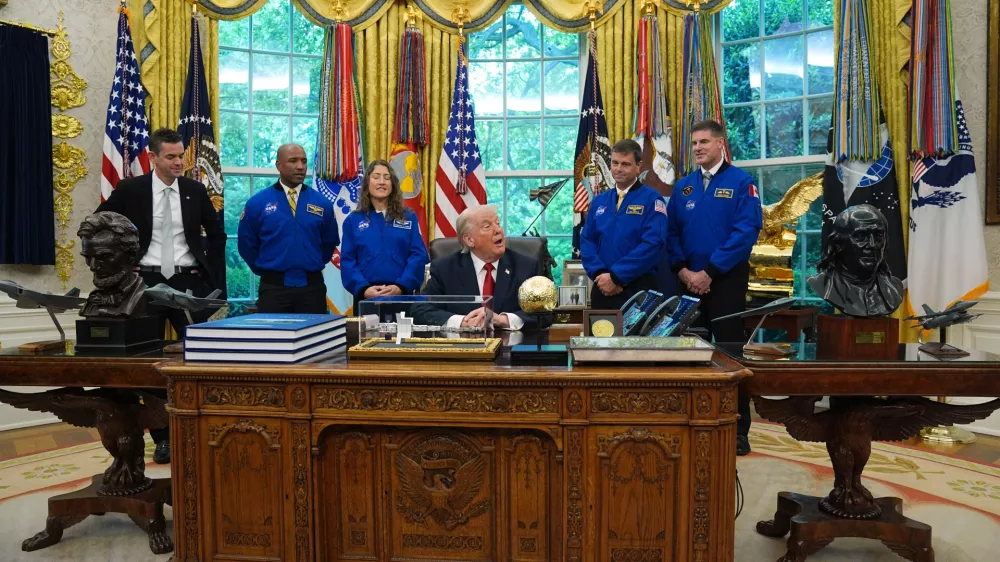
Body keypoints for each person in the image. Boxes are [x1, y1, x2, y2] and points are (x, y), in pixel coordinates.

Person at [96, 128, 225, 464]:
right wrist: (125, 266)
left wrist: (212, 278)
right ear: (153, 158)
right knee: (149, 363)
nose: (179, 162)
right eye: (171, 156)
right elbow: (100, 224)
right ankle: (163, 436)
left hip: (188, 282)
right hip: (145, 282)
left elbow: (217, 235)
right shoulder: (131, 190)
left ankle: (206, 427)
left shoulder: (196, 191)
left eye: (181, 155)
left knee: (203, 356)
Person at [666, 119, 763, 456]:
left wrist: (710, 271)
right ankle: (692, 421)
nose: (697, 148)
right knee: (689, 353)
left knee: (730, 354)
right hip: (688, 281)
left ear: (721, 144)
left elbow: (746, 231)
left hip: (726, 281)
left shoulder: (741, 183)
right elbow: (671, 233)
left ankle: (738, 429)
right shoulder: (684, 187)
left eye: (704, 142)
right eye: (694, 143)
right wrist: (684, 270)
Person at [238, 144, 339, 314]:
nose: (300, 166)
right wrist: (267, 268)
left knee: (313, 339)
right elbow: (246, 244)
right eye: (293, 161)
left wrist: (310, 261)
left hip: (312, 289)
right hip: (273, 289)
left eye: (304, 161)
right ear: (278, 165)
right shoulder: (258, 203)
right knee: (274, 339)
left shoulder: (322, 203)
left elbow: (329, 242)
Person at [415, 205, 544, 331]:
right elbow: (420, 309)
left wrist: (502, 319)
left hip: (511, 348)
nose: (498, 230)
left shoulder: (526, 266)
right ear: (470, 240)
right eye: (487, 226)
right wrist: (462, 322)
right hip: (464, 347)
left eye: (498, 224)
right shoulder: (445, 269)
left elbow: (544, 313)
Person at [580, 139, 668, 309]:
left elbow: (653, 244)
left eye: (626, 164)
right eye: (615, 163)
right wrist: (600, 273)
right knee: (599, 336)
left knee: (637, 337)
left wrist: (617, 276)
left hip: (638, 288)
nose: (618, 169)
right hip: (602, 286)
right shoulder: (599, 201)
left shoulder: (652, 199)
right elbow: (587, 241)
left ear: (638, 166)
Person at [340, 160, 429, 308]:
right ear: (367, 184)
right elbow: (348, 261)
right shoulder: (353, 220)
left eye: (387, 178)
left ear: (392, 185)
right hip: (367, 297)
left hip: (402, 295)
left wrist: (401, 286)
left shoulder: (408, 217)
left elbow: (418, 255)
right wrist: (364, 289)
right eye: (376, 177)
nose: (382, 182)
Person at [808, 204, 903, 317]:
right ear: (839, 244)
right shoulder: (822, 284)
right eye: (861, 236)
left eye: (878, 236)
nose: (872, 245)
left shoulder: (894, 287)